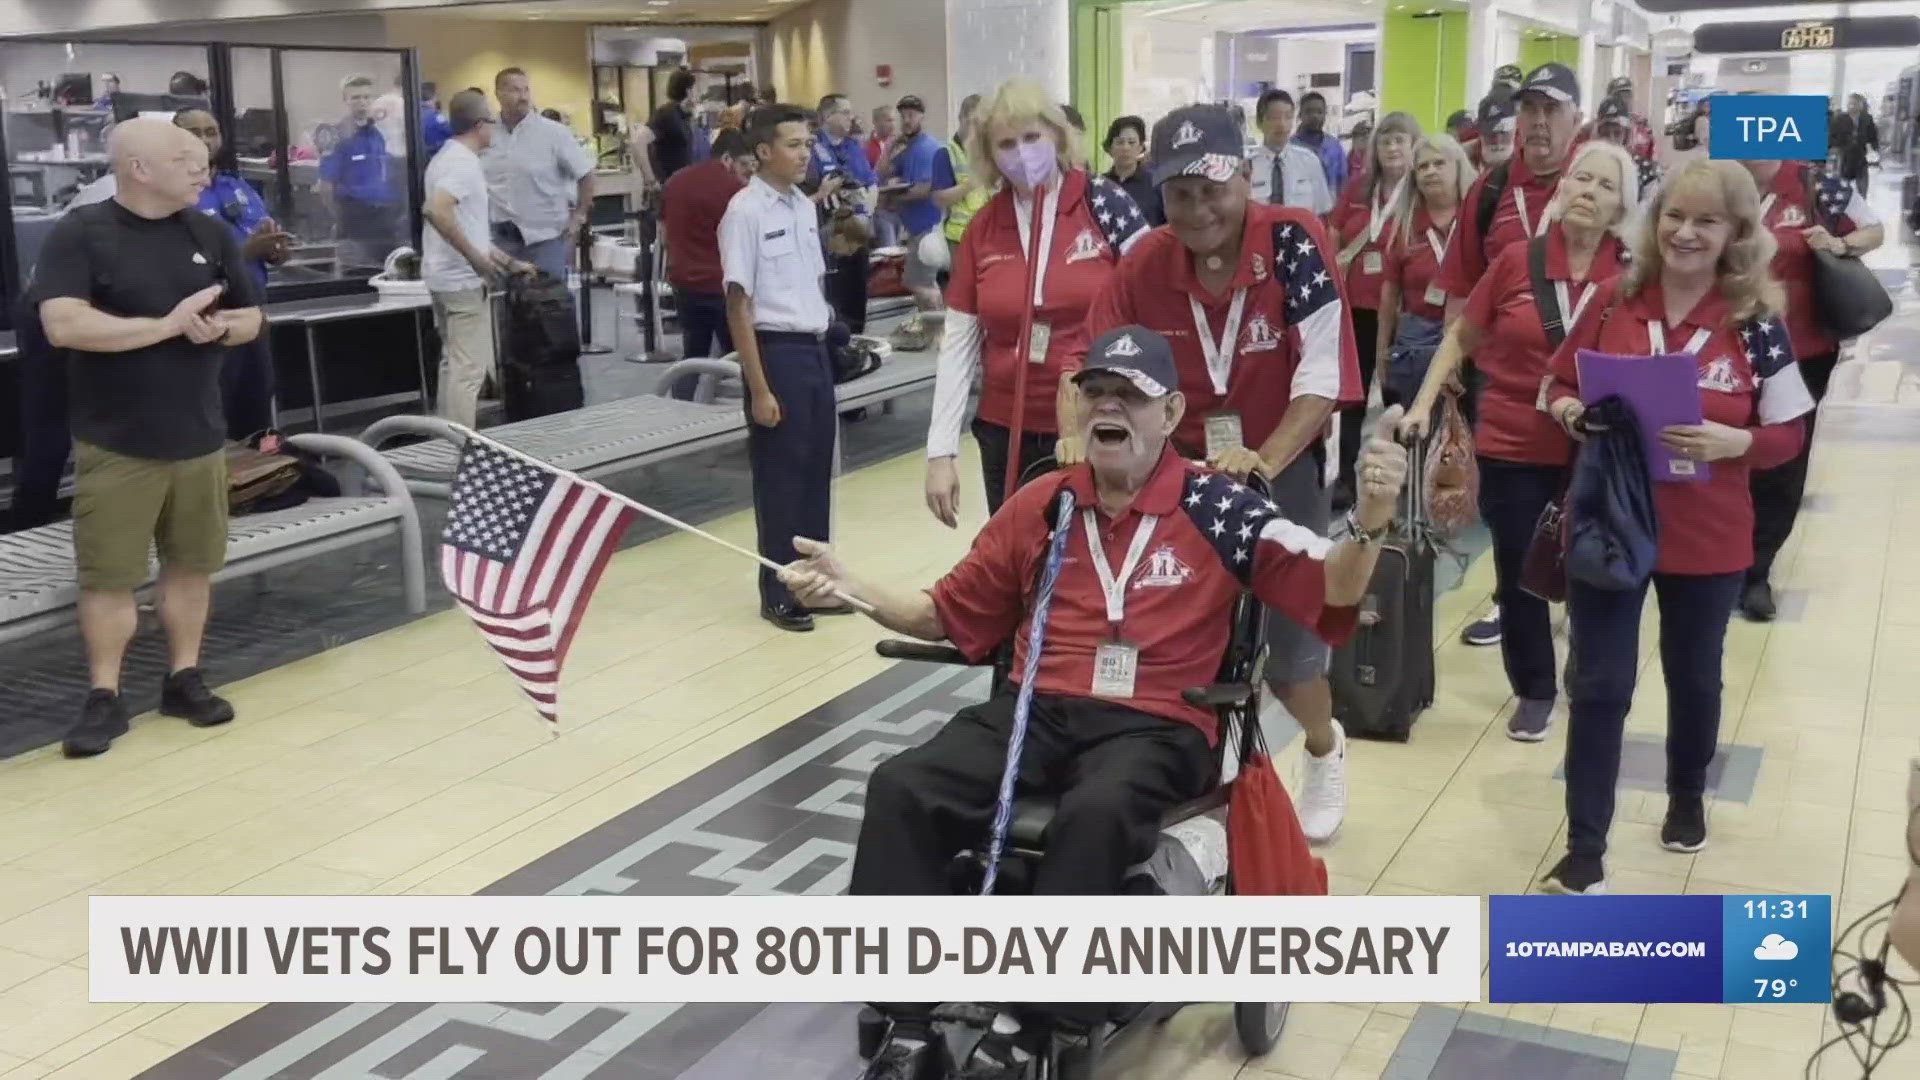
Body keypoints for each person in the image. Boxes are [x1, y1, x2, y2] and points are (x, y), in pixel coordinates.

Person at [785, 325, 1406, 1079]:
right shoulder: (1046, 504)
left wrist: (1370, 520)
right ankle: (907, 1018)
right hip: (1038, 710)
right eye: (1097, 393)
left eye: (1131, 395)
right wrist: (847, 587)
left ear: (1170, 411)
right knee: (902, 785)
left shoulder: (1219, 506)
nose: (1110, 406)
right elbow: (942, 612)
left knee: (1098, 810)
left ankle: (1034, 1018)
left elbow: (1334, 583)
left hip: (1160, 720)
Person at [1537, 159, 1814, 894]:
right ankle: (1586, 844)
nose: (1687, 233)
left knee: (1695, 680)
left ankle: (1686, 795)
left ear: (1736, 235)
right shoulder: (1610, 302)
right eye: (1674, 217)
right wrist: (1571, 413)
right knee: (1600, 684)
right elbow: (1555, 383)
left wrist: (1739, 444)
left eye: (1707, 221)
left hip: (1710, 534)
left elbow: (1790, 431)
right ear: (1654, 223)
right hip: (1613, 524)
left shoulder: (1755, 323)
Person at [1088, 104, 1361, 842]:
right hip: (1176, 471)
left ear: (1242, 176)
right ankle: (1187, 778)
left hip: (1283, 464)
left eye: (1213, 187)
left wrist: (1261, 461)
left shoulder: (1295, 241)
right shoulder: (1145, 260)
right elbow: (1100, 367)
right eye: (1181, 193)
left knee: (1290, 655)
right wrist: (1088, 440)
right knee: (1173, 631)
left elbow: (1323, 375)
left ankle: (1323, 746)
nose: (1199, 209)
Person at [32, 118, 266, 757]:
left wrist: (218, 329)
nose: (202, 168)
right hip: (117, 440)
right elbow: (64, 324)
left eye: (202, 158)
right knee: (110, 576)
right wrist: (165, 327)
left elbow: (251, 317)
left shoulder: (209, 231)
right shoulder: (81, 234)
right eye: (186, 158)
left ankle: (183, 677)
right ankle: (104, 697)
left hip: (197, 434)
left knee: (191, 566)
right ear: (139, 168)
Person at [1401, 140, 1635, 743]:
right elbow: (1462, 334)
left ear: (1622, 207)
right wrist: (1425, 404)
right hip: (1514, 441)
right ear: (1560, 192)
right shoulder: (1516, 260)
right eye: (1580, 178)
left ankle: (1592, 676)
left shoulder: (1634, 272)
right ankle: (1534, 688)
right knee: (1522, 570)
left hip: (1603, 447)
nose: (1588, 190)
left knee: (1597, 569)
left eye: (1605, 185)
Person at [926, 78, 1149, 527]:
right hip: (1006, 428)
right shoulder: (984, 227)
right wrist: (940, 452)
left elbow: (1154, 308)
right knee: (1018, 564)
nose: (1022, 153)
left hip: (1102, 423)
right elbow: (958, 342)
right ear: (989, 156)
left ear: (1057, 135)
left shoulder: (1107, 205)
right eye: (1006, 144)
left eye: (1032, 137)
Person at [1438, 62, 1585, 649]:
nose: (1539, 123)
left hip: (1590, 389)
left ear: (1577, 116)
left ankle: (1584, 612)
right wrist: (1450, 373)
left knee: (1587, 509)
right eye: (1530, 110)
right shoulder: (1492, 190)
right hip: (1507, 394)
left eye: (1552, 110)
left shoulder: (1598, 181)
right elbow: (1459, 289)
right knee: (1511, 519)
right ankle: (1515, 611)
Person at [1736, 149, 1883, 621]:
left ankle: (1757, 570)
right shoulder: (1717, 184)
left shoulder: (1817, 186)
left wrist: (1838, 245)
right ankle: (1719, 557)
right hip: (1725, 345)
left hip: (1800, 351)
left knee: (1783, 460)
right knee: (1728, 452)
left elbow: (1874, 229)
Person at [722, 105, 840, 633]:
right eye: (794, 144)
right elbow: (738, 305)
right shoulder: (745, 212)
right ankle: (778, 591)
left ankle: (814, 585)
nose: (804, 154)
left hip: (813, 348)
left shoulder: (801, 206)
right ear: (764, 151)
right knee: (781, 480)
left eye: (808, 144)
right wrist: (759, 388)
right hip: (775, 352)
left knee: (816, 474)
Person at [173, 108, 291, 440]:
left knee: (255, 409)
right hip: (206, 324)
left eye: (211, 131)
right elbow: (179, 265)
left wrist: (275, 251)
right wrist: (246, 252)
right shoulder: (174, 196)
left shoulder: (236, 185)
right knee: (213, 414)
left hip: (251, 315)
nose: (205, 139)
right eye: (194, 132)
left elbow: (265, 242)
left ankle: (257, 483)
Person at [1328, 111, 1421, 509]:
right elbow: (1333, 234)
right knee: (1351, 399)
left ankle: (1398, 480)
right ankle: (1347, 477)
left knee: (1397, 397)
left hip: (1402, 313)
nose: (1393, 147)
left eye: (1400, 140)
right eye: (1386, 141)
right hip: (1355, 311)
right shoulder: (1359, 190)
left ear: (1413, 145)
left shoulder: (1420, 193)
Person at [422, 90, 529, 429]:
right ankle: (459, 450)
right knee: (468, 371)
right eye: (492, 122)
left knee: (452, 363)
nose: (494, 129)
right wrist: (476, 261)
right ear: (480, 124)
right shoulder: (463, 164)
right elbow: (436, 210)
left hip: (442, 277)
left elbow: (467, 227)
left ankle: (445, 441)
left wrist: (508, 263)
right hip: (461, 282)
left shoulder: (444, 157)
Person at [1377, 134, 1474, 408]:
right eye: (1423, 166)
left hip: (1468, 337)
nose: (1430, 171)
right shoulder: (1405, 225)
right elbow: (1388, 296)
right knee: (1414, 433)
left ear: (1458, 168)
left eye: (1439, 163)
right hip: (1414, 342)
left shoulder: (1478, 220)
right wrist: (1381, 353)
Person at [483, 68, 595, 282]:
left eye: (526, 89)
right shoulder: (488, 134)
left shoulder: (553, 133)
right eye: (515, 90)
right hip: (501, 239)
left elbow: (586, 175)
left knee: (548, 304)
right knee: (506, 306)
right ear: (498, 94)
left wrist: (578, 218)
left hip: (546, 237)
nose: (523, 96)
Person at [663, 129, 756, 384]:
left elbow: (664, 231)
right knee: (735, 355)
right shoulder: (736, 190)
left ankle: (684, 404)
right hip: (723, 283)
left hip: (683, 279)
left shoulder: (675, 181)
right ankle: (736, 412)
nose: (747, 173)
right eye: (744, 165)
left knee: (693, 351)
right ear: (727, 159)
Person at [881, 95, 954, 348]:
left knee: (920, 282)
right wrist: (889, 148)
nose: (906, 120)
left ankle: (940, 334)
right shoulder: (908, 147)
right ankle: (935, 333)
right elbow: (881, 173)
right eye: (903, 115)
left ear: (922, 116)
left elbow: (926, 189)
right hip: (915, 227)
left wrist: (897, 198)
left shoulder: (926, 148)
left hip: (928, 226)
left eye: (911, 115)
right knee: (921, 282)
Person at [808, 93, 880, 333]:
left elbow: (871, 182)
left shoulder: (853, 147)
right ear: (828, 116)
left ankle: (858, 334)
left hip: (857, 225)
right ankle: (837, 334)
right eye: (846, 112)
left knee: (858, 285)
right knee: (834, 288)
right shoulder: (813, 148)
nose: (852, 117)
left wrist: (866, 212)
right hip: (831, 228)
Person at [320, 74, 401, 272]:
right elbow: (326, 186)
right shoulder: (337, 136)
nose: (362, 103)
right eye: (356, 97)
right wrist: (341, 219)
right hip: (355, 216)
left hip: (384, 217)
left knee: (391, 270)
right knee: (358, 274)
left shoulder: (377, 134)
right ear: (345, 101)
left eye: (367, 97)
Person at [1248, 89, 1334, 214]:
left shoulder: (1309, 161)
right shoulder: (1248, 166)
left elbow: (1322, 211)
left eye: (1288, 117)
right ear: (1259, 122)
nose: (1282, 124)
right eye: (1274, 118)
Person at [939, 94, 990, 266]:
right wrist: (971, 183)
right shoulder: (946, 153)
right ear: (961, 118)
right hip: (958, 239)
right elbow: (940, 199)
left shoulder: (984, 153)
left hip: (986, 236)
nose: (977, 129)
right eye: (973, 122)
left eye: (981, 124)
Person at [1101, 115, 1163, 227]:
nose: (1125, 148)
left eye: (1131, 142)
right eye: (1120, 142)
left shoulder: (1156, 183)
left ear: (1140, 147)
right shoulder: (1101, 185)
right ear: (1110, 148)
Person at [1594, 96, 1661, 200]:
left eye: (1617, 133)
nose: (1611, 139)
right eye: (1605, 134)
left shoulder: (1645, 172)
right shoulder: (1587, 166)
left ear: (1626, 135)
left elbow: (1650, 212)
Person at [1292, 91, 1347, 194]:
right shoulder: (1290, 147)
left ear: (1325, 115)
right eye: (1309, 112)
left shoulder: (1334, 146)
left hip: (1332, 207)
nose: (1315, 116)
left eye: (1319, 112)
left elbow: (1342, 181)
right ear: (1300, 115)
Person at [650, 68, 699, 184]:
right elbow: (639, 141)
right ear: (689, 91)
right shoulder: (666, 114)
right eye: (695, 89)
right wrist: (650, 180)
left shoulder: (683, 115)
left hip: (684, 182)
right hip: (670, 183)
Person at [1842, 93, 1878, 197]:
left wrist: (1873, 149)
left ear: (1860, 105)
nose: (1852, 106)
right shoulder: (1842, 118)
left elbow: (1873, 136)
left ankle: (1862, 202)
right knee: (1845, 183)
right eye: (1850, 103)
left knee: (1862, 185)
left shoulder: (1867, 118)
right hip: (1845, 156)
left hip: (1860, 156)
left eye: (1854, 103)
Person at [1472, 87, 1517, 172]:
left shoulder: (1534, 161)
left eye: (1504, 132)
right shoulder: (1462, 159)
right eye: (1490, 133)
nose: (1497, 140)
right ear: (1480, 132)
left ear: (1516, 128)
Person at [865, 104, 896, 169]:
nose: (893, 124)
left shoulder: (898, 144)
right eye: (889, 120)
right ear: (876, 122)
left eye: (894, 120)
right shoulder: (866, 146)